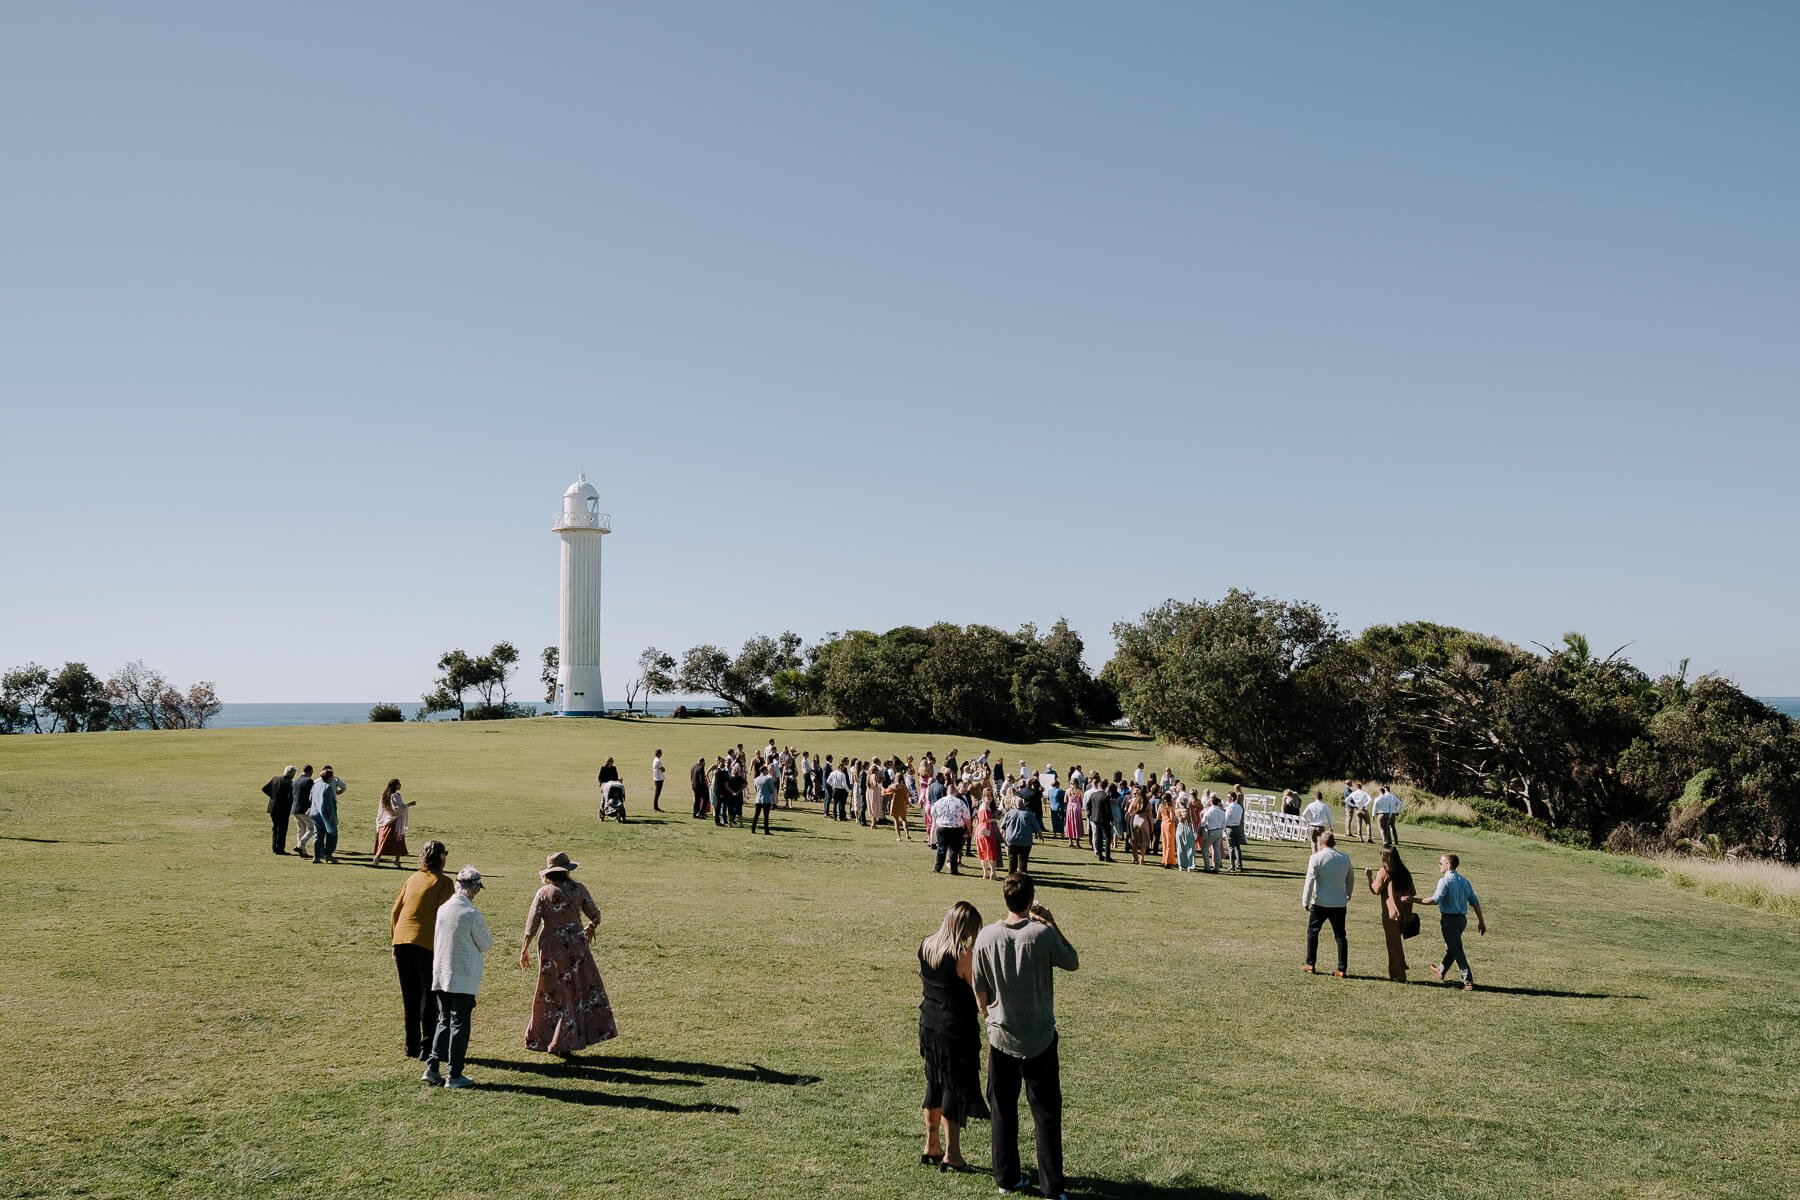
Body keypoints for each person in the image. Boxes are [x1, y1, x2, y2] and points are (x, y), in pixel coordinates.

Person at [973, 873, 1078, 1200]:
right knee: (1046, 1114)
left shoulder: (986, 936)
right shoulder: (1042, 935)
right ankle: (1052, 1187)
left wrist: (989, 1014)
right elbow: (1072, 961)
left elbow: (979, 990)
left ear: (1005, 898)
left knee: (1002, 1109)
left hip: (1001, 1035)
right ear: (1031, 899)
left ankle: (1006, 1176)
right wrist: (1052, 922)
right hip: (1039, 1037)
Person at [520, 852, 619, 1055]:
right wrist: (591, 927)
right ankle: (572, 1036)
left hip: (551, 947)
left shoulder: (543, 893)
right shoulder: (578, 889)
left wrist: (525, 948)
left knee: (552, 991)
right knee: (577, 989)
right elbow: (595, 914)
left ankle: (552, 1037)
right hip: (576, 944)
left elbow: (532, 924)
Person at [918, 901, 990, 1171]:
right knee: (954, 1088)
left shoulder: (927, 946)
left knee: (934, 1083)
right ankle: (953, 1154)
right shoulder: (963, 956)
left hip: (929, 1025)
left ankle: (931, 1144)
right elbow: (980, 994)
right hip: (955, 1031)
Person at [423, 865, 492, 1088]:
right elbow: (486, 944)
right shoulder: (471, 914)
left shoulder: (443, 909)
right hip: (462, 976)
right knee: (460, 1023)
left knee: (443, 1020)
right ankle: (454, 1074)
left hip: (442, 973)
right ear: (475, 889)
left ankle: (432, 1068)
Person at [390, 839, 454, 1060]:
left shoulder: (412, 878)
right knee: (429, 996)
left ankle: (411, 1045)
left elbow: (395, 911)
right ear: (442, 858)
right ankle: (428, 1047)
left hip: (402, 940)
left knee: (410, 996)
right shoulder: (445, 883)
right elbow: (446, 918)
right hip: (425, 943)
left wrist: (394, 941)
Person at [1411, 852, 1487, 990]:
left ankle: (1467, 981)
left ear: (1448, 865)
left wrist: (1413, 900)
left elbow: (1435, 900)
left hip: (1449, 921)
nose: (1439, 865)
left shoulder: (1444, 881)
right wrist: (1481, 921)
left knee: (1456, 949)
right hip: (1462, 921)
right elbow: (1475, 903)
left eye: (1441, 863)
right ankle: (1441, 970)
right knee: (1453, 947)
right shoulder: (1465, 881)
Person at [1301, 832, 1355, 977]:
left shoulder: (1315, 858)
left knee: (1313, 933)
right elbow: (1350, 879)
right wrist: (1348, 894)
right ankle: (1342, 968)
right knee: (1340, 936)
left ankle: (1310, 963)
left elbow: (1310, 880)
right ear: (1334, 843)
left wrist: (1305, 900)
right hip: (1338, 903)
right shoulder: (1344, 858)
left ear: (1321, 843)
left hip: (1320, 902)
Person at [1365, 846, 1416, 983]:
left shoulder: (1385, 871)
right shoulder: (1405, 872)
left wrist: (1369, 877)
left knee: (1394, 945)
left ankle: (1400, 975)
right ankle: (1393, 973)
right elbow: (1412, 893)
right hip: (1405, 913)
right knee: (1393, 944)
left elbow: (1375, 890)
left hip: (1391, 914)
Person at [372, 778, 415, 867]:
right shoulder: (395, 796)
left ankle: (392, 860)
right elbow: (398, 809)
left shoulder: (384, 795)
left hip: (385, 821)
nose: (400, 785)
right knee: (394, 840)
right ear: (395, 785)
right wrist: (409, 805)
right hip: (393, 822)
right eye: (399, 784)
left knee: (386, 840)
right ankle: (379, 858)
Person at [931, 784, 971, 874]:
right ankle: (953, 869)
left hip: (942, 827)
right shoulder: (960, 802)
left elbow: (933, 813)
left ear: (947, 791)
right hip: (955, 828)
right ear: (955, 791)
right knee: (954, 849)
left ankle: (938, 868)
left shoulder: (940, 802)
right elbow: (967, 817)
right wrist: (969, 829)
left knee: (941, 848)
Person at [309, 767, 345, 864]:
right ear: (330, 778)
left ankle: (316, 857)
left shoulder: (315, 785)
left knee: (318, 835)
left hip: (315, 814)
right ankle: (329, 855)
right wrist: (331, 817)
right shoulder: (328, 787)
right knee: (332, 835)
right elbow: (328, 804)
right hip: (326, 815)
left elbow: (310, 798)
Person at [1000, 796, 1041, 875]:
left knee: (1012, 860)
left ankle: (1011, 877)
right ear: (1024, 804)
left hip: (1012, 841)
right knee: (1023, 861)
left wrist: (1003, 837)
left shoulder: (1009, 813)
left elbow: (1002, 827)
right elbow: (1037, 826)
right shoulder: (1028, 814)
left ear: (1014, 804)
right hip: (1025, 842)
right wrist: (1040, 835)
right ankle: (1022, 878)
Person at [262, 765, 295, 855]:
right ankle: (280, 849)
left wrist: (273, 797)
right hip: (283, 809)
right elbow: (291, 797)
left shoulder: (275, 779)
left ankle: (274, 847)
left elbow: (265, 789)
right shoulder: (289, 783)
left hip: (272, 807)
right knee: (282, 829)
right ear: (292, 774)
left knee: (275, 827)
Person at [972, 793, 1000, 880]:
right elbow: (984, 819)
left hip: (981, 830)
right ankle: (992, 873)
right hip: (986, 831)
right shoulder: (984, 807)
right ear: (983, 797)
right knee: (991, 852)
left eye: (990, 796)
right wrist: (994, 819)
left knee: (983, 852)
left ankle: (986, 873)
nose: (989, 798)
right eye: (987, 796)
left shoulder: (983, 806)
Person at [289, 765, 316, 856]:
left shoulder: (295, 781)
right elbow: (312, 795)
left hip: (295, 809)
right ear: (310, 771)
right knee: (312, 828)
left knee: (301, 829)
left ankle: (303, 852)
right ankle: (300, 845)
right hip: (305, 809)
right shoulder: (309, 781)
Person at [1083, 780, 1113, 863]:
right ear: (1106, 786)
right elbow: (1108, 811)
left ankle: (1100, 855)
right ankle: (1107, 856)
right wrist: (1111, 819)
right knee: (1107, 838)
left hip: (1095, 819)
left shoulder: (1093, 795)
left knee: (1098, 837)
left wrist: (1090, 815)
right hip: (1104, 820)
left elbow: (1087, 806)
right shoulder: (1105, 796)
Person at [1201, 794, 1228, 873]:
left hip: (1212, 831)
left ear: (1212, 802)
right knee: (1217, 849)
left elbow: (1203, 822)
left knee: (1205, 849)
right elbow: (1224, 822)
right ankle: (1216, 868)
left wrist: (1203, 828)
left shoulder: (1209, 811)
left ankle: (1207, 867)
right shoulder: (1222, 811)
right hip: (1219, 831)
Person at [750, 761, 777, 834]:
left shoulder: (756, 779)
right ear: (764, 770)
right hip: (766, 799)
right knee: (766, 816)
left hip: (758, 799)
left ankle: (753, 829)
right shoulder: (768, 779)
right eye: (767, 770)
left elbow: (756, 789)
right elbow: (772, 790)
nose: (768, 771)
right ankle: (766, 830)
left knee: (756, 815)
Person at [887, 770, 913, 842]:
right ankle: (907, 834)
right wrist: (908, 803)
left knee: (896, 821)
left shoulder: (893, 786)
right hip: (902, 804)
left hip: (894, 804)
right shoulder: (904, 787)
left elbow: (886, 792)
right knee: (904, 820)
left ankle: (899, 837)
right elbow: (906, 797)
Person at [1224, 788, 1246, 873]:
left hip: (1230, 827)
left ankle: (1232, 865)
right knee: (1238, 848)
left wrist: (1224, 829)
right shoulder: (1239, 807)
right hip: (1237, 827)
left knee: (1231, 847)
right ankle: (1239, 865)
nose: (1227, 799)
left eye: (1228, 797)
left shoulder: (1230, 807)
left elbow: (1226, 819)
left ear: (1232, 798)